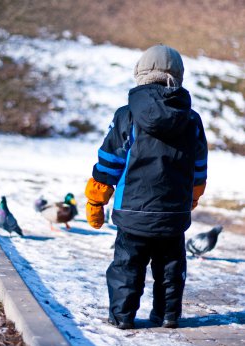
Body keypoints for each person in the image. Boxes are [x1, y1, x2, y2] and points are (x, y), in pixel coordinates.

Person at [85, 44, 207, 329]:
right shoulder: (191, 120)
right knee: (170, 267)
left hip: (132, 210)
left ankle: (122, 316)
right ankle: (167, 315)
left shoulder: (126, 115)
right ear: (178, 76)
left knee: (127, 266)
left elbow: (109, 161)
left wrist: (96, 198)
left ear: (139, 73)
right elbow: (198, 165)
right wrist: (193, 196)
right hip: (173, 213)